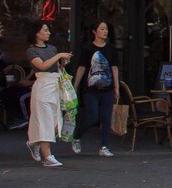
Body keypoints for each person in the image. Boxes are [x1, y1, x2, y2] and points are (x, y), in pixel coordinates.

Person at [24, 23, 72, 167]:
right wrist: (59, 56)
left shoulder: (51, 48)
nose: (48, 33)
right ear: (36, 33)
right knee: (44, 118)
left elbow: (57, 67)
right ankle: (48, 155)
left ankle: (34, 142)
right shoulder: (31, 51)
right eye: (45, 30)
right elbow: (42, 66)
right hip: (43, 84)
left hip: (54, 84)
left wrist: (63, 62)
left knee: (53, 119)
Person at [71, 21, 121, 158]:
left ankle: (104, 146)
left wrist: (117, 87)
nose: (105, 31)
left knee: (106, 118)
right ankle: (77, 136)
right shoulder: (88, 49)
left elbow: (115, 68)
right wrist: (75, 85)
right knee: (92, 116)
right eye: (102, 29)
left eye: (106, 29)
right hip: (91, 89)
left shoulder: (111, 49)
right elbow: (82, 67)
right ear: (95, 31)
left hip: (108, 88)